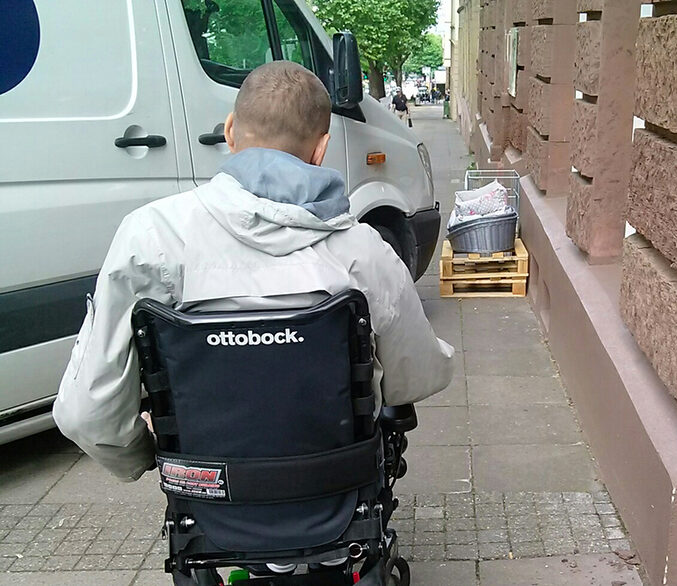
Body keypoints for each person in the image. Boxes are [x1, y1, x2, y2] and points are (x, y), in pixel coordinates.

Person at [53, 61, 455, 482]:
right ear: (321, 148)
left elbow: (86, 412)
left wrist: (152, 458)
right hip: (335, 486)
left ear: (229, 131)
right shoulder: (364, 250)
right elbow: (418, 375)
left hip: (206, 497)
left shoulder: (150, 236)